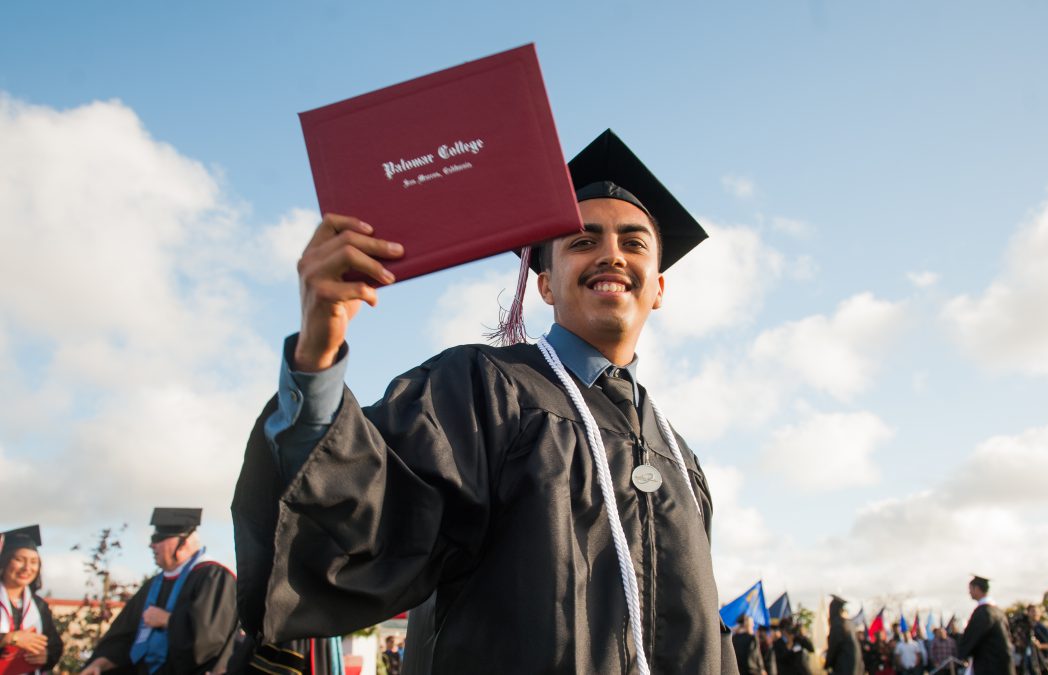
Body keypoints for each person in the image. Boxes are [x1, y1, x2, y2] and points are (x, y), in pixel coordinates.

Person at [232, 129, 738, 674]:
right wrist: (316, 353)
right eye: (582, 242)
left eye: (633, 243)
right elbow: (368, 516)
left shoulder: (679, 458)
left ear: (658, 288)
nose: (612, 255)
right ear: (546, 285)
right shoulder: (482, 390)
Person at [80, 508, 239, 675]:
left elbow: (209, 641)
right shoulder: (153, 585)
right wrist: (100, 664)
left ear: (183, 543)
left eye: (158, 539)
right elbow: (124, 636)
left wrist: (168, 620)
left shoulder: (214, 578)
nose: (151, 545)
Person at [0, 526, 63, 674]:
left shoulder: (39, 605)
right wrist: (8, 638)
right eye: (19, 560)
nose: (27, 567)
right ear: (4, 561)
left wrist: (46, 656)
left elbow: (54, 646)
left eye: (34, 562)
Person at [957, 576, 1015, 675]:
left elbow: (970, 638)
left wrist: (962, 652)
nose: (969, 592)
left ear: (977, 588)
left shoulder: (984, 612)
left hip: (990, 666)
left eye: (970, 589)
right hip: (1001, 664)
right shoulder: (998, 611)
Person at [826, 596, 865, 675]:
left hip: (843, 666)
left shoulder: (837, 625)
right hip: (852, 666)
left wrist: (828, 663)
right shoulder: (847, 624)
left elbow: (834, 646)